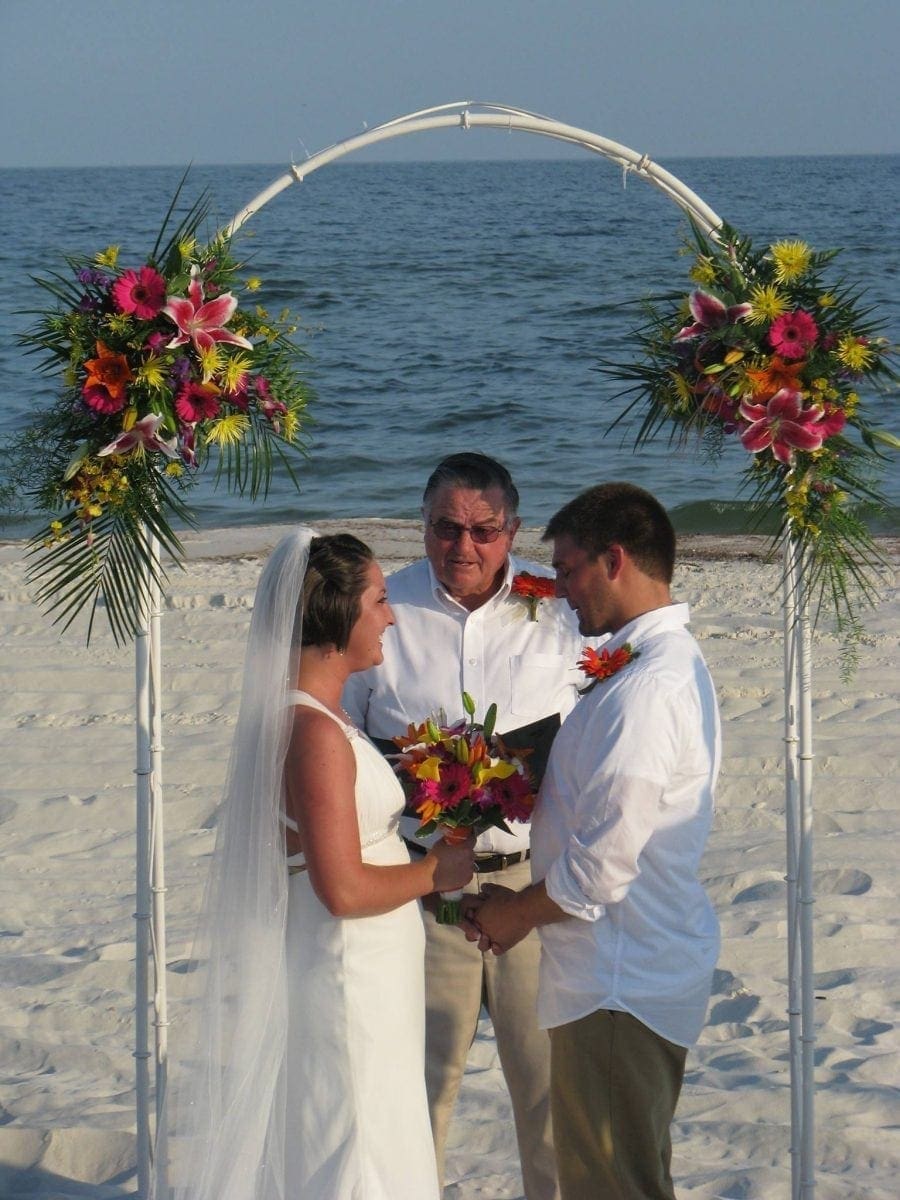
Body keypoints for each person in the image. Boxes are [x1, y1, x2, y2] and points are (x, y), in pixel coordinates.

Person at [161, 528, 474, 1200]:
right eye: (380, 601)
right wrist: (433, 874)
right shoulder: (313, 732)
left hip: (367, 976)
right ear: (337, 618)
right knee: (356, 1145)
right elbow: (341, 888)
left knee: (372, 1132)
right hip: (346, 977)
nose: (391, 617)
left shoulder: (325, 719)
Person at [343, 453, 590, 1200]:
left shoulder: (560, 613)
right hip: (422, 899)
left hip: (531, 888)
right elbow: (347, 751)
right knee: (416, 1099)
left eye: (484, 530)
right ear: (421, 527)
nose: (465, 546)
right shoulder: (383, 610)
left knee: (550, 1099)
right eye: (446, 528)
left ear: (513, 530)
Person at [465, 482, 721, 1200]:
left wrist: (515, 915)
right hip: (621, 971)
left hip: (620, 982)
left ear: (614, 560)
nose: (561, 591)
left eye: (570, 570)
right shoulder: (652, 666)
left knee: (612, 1184)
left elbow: (605, 865)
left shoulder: (648, 688)